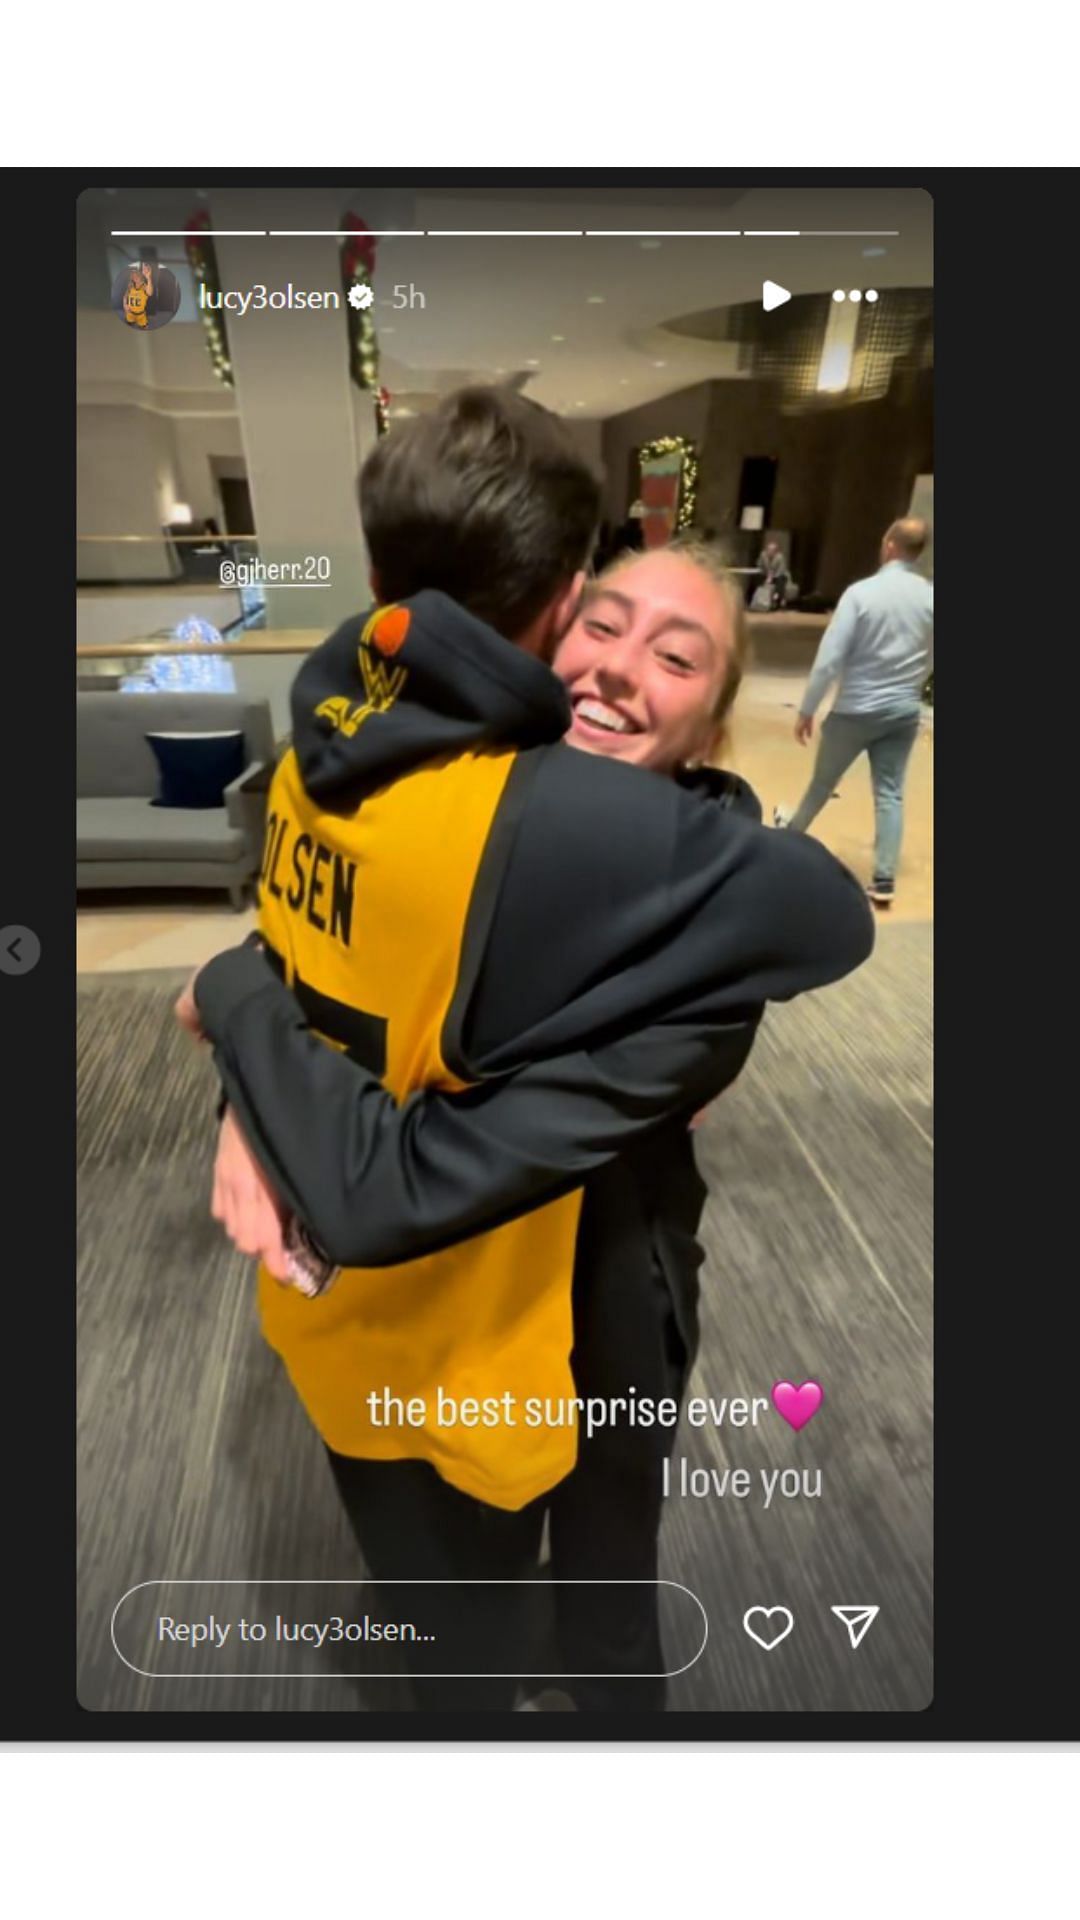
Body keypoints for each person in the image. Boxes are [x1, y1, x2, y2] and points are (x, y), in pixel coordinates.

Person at [180, 389, 874, 1708]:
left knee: (613, 1576)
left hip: (616, 1263)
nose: (619, 664)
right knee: (456, 1598)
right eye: (601, 624)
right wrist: (249, 1052)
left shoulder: (696, 934)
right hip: (446, 1315)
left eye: (678, 657)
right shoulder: (446, 803)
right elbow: (310, 940)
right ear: (549, 623)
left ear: (716, 719)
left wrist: (244, 1024)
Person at [774, 517, 932, 908]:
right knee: (891, 793)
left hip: (856, 709)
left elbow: (830, 659)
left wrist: (808, 708)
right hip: (902, 710)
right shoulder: (931, 597)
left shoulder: (861, 594)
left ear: (890, 544)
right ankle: (883, 878)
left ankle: (787, 841)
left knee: (822, 784)